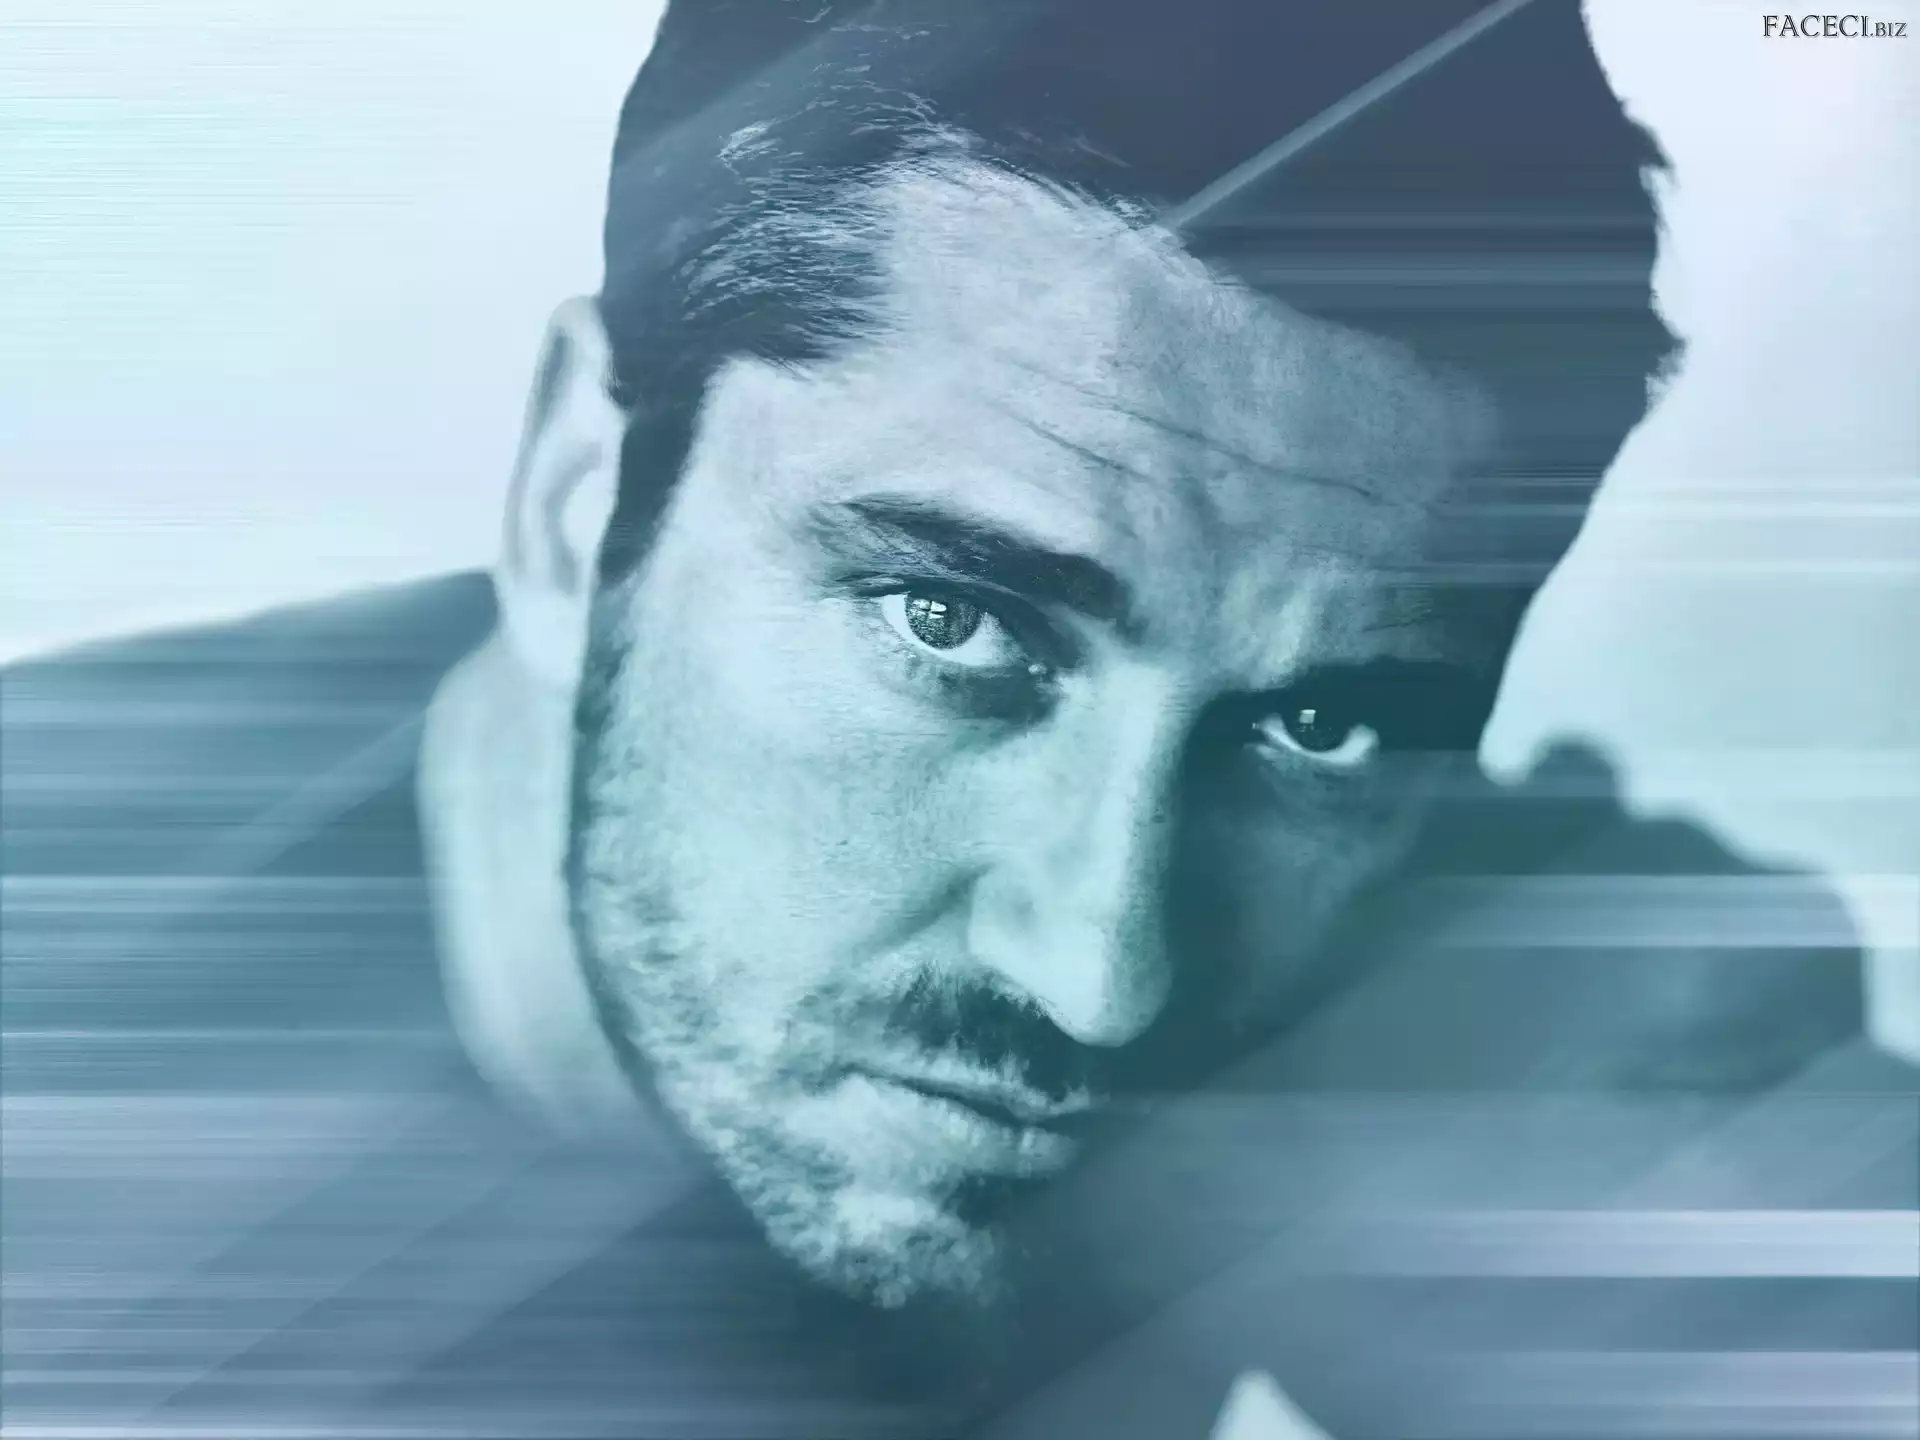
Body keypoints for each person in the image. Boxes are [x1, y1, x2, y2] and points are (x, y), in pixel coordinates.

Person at [3, 2, 1910, 1436]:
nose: (1107, 973)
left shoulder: (1493, 1010)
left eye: (1318, 727)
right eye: (955, 623)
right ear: (578, 506)